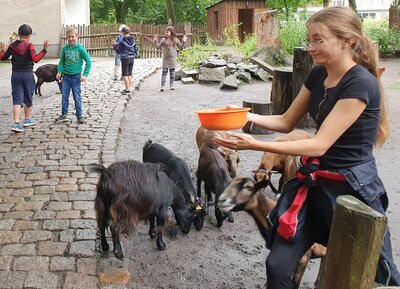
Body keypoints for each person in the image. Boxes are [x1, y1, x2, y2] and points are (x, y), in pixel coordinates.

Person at [214, 6, 400, 288]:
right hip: (314, 186)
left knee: (378, 274)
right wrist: (244, 116)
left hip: (352, 190)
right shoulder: (318, 75)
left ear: (346, 40)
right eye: (308, 39)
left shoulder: (360, 83)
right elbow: (287, 121)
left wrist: (253, 144)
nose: (310, 47)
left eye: (318, 40)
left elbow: (319, 144)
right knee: (278, 267)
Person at [0, 24, 49, 132]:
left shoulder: (12, 46)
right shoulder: (29, 45)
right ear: (29, 35)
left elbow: (3, 58)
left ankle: (16, 123)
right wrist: (44, 50)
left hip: (16, 75)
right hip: (27, 75)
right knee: (28, 97)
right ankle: (27, 120)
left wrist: (2, 50)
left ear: (19, 34)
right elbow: (35, 59)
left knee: (17, 99)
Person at [56, 26, 92, 124]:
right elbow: (61, 62)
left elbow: (89, 62)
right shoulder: (65, 49)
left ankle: (79, 115)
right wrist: (59, 71)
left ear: (77, 36)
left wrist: (85, 74)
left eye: (72, 36)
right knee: (64, 96)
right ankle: (64, 114)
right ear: (66, 38)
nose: (71, 39)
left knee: (77, 97)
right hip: (66, 77)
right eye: (68, 37)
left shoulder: (80, 49)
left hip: (76, 77)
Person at [153, 26, 186, 91]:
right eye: (165, 32)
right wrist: (155, 41)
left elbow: (181, 48)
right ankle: (162, 86)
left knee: (172, 72)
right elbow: (158, 47)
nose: (166, 33)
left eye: (167, 32)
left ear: (171, 32)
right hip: (165, 59)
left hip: (172, 58)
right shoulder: (163, 40)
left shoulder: (175, 39)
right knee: (164, 72)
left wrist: (184, 42)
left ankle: (171, 85)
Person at [113, 25, 138, 94]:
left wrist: (114, 45)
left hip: (125, 58)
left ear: (123, 33)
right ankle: (129, 87)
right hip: (131, 58)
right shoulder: (132, 39)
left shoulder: (122, 41)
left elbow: (119, 51)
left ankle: (127, 89)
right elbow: (136, 49)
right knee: (130, 74)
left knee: (124, 75)